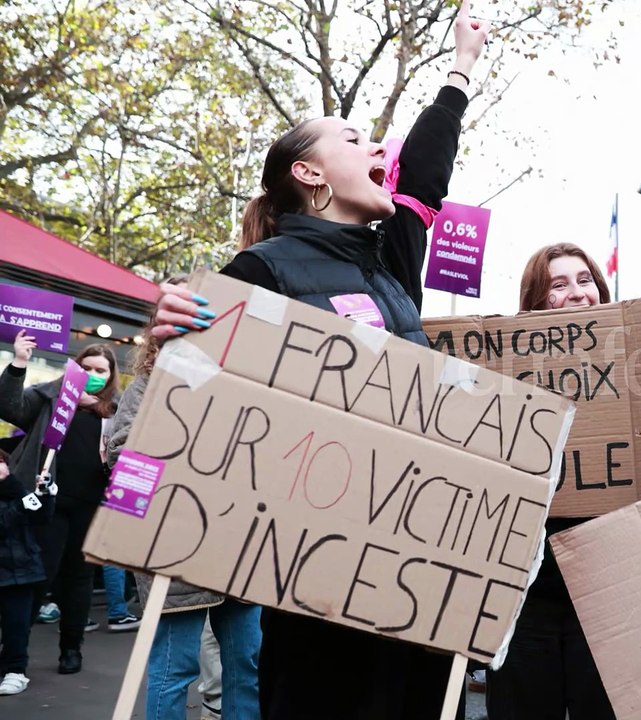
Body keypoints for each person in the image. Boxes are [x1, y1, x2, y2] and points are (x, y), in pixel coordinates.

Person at [148, 5, 489, 717]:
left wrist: (460, 67)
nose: (380, 152)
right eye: (356, 139)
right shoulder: (259, 271)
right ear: (309, 173)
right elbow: (204, 410)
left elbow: (426, 171)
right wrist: (173, 342)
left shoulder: (393, 258)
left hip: (413, 577)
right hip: (316, 595)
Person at [106, 274, 262, 720]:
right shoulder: (144, 389)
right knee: (174, 669)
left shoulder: (241, 387)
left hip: (236, 549)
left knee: (245, 666)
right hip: (174, 553)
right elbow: (123, 461)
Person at [485, 242, 615, 720]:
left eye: (585, 281)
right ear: (536, 303)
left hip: (606, 583)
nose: (577, 293)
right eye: (558, 285)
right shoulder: (504, 382)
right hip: (528, 590)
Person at [0, 331, 118, 675]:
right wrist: (19, 362)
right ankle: (13, 652)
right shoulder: (54, 394)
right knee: (39, 575)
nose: (96, 374)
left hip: (93, 505)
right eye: (88, 367)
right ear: (76, 368)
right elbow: (9, 406)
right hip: (47, 503)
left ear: (111, 376)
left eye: (103, 370)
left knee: (80, 578)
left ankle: (71, 649)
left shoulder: (116, 409)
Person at [0, 448, 55, 696]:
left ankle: (16, 671)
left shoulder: (15, 490)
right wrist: (22, 503)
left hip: (22, 570)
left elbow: (40, 517)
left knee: (17, 625)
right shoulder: (16, 493)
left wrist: (45, 494)